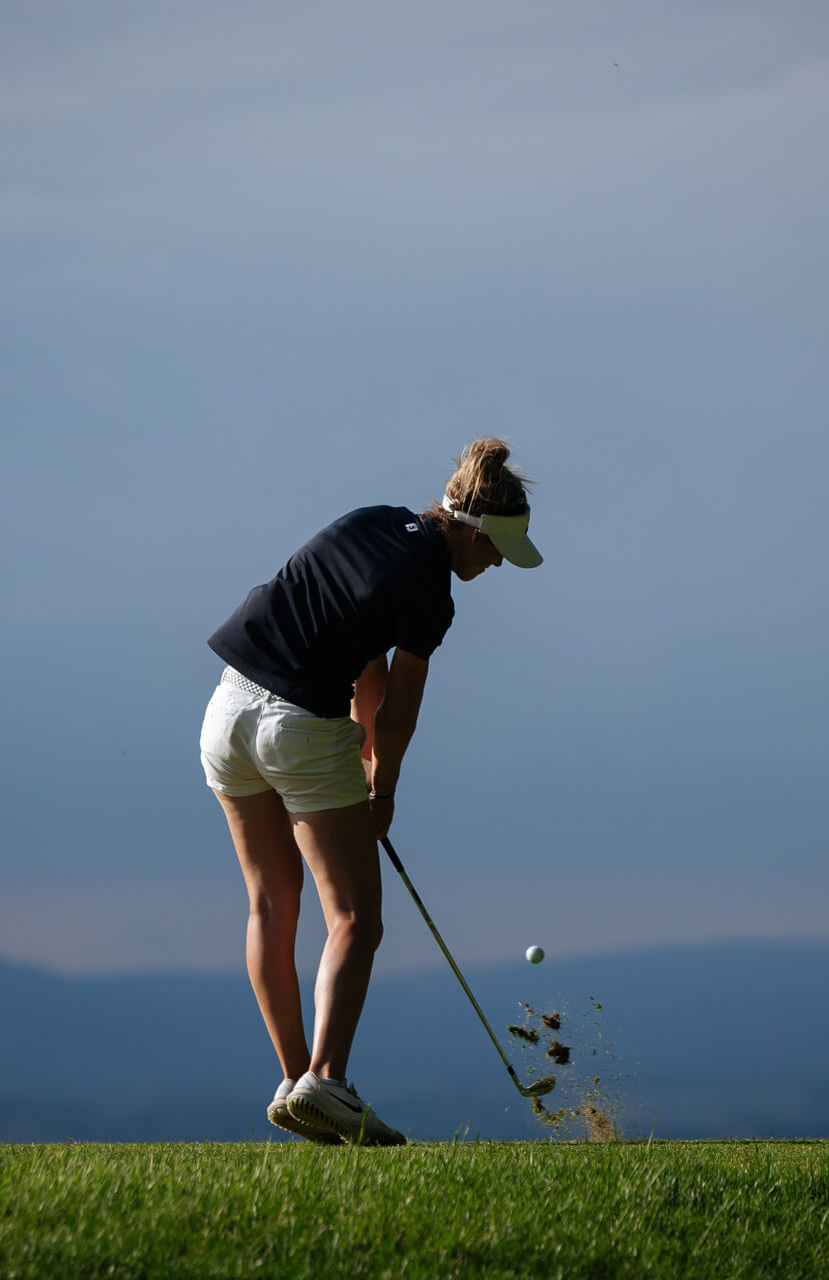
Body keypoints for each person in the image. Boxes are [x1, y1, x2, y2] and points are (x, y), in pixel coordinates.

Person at [199, 438, 543, 1145]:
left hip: (226, 712)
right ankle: (324, 1080)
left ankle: (300, 1086)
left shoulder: (375, 523)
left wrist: (368, 779)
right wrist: (382, 790)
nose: (501, 563)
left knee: (271, 903)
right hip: (296, 724)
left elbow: (365, 664)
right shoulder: (433, 594)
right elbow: (396, 712)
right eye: (499, 548)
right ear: (476, 530)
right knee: (356, 918)